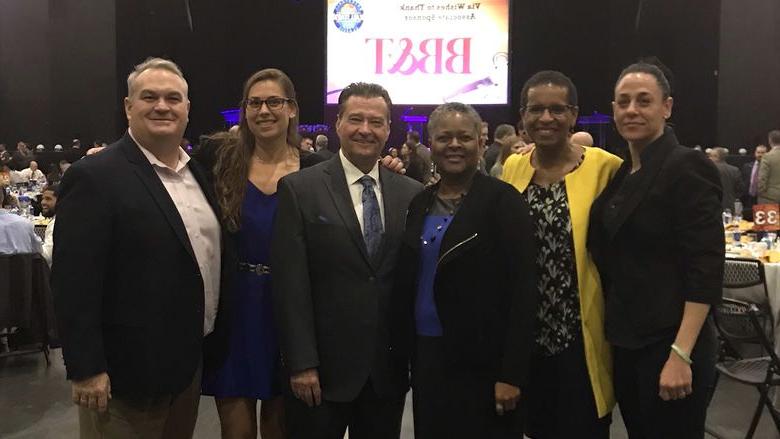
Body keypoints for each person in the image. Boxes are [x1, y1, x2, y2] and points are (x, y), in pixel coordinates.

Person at [52, 57, 231, 439]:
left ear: (187, 108)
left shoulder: (199, 173)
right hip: (123, 377)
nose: (162, 106)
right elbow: (73, 282)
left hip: (187, 366)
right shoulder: (95, 177)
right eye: (149, 96)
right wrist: (86, 368)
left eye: (173, 98)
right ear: (128, 106)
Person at [271, 82, 422, 439]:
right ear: (338, 123)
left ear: (388, 129)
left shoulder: (412, 194)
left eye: (376, 121)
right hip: (321, 373)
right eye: (356, 119)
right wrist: (302, 362)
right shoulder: (299, 189)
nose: (365, 130)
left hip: (386, 371)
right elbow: (290, 284)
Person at [588, 62, 722, 439]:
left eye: (644, 101)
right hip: (628, 342)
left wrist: (681, 353)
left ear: (667, 107)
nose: (632, 110)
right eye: (623, 101)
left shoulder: (686, 166)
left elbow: (706, 266)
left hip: (672, 343)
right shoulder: (622, 173)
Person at [393, 102, 537, 438]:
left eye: (464, 137)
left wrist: (511, 374)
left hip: (484, 364)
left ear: (481, 143)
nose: (454, 145)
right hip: (428, 357)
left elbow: (524, 291)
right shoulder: (420, 203)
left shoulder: (504, 202)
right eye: (444, 138)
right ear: (431, 145)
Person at [200, 68, 325, 439]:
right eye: (254, 102)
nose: (264, 110)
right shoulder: (219, 162)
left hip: (289, 312)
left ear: (291, 109)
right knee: (235, 432)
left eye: (274, 101)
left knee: (280, 428)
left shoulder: (316, 168)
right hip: (235, 311)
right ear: (245, 110)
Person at [501, 70, 621, 438]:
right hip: (526, 339)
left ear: (574, 114)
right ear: (523, 116)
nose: (546, 118)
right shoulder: (513, 167)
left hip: (581, 335)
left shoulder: (607, 168)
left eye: (557, 109)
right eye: (536, 109)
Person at [0, 186, 42, 254]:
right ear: (3, 198)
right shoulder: (24, 224)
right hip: (22, 263)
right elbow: (39, 251)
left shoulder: (25, 223)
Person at [707, 147, 743, 211]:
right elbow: (740, 189)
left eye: (710, 156)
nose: (709, 158)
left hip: (713, 206)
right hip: (730, 205)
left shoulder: (709, 170)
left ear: (716, 156)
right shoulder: (735, 170)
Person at [741, 144, 768, 217]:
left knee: (763, 224)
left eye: (763, 153)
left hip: (763, 198)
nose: (760, 155)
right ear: (755, 153)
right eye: (758, 152)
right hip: (749, 199)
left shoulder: (769, 168)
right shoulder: (747, 166)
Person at [758, 129, 780, 204]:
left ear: (770, 141)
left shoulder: (767, 157)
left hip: (769, 199)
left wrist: (760, 193)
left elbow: (762, 178)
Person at [40, 183, 58, 266]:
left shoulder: (56, 223)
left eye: (48, 199)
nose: (43, 202)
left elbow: (46, 256)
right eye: (43, 198)